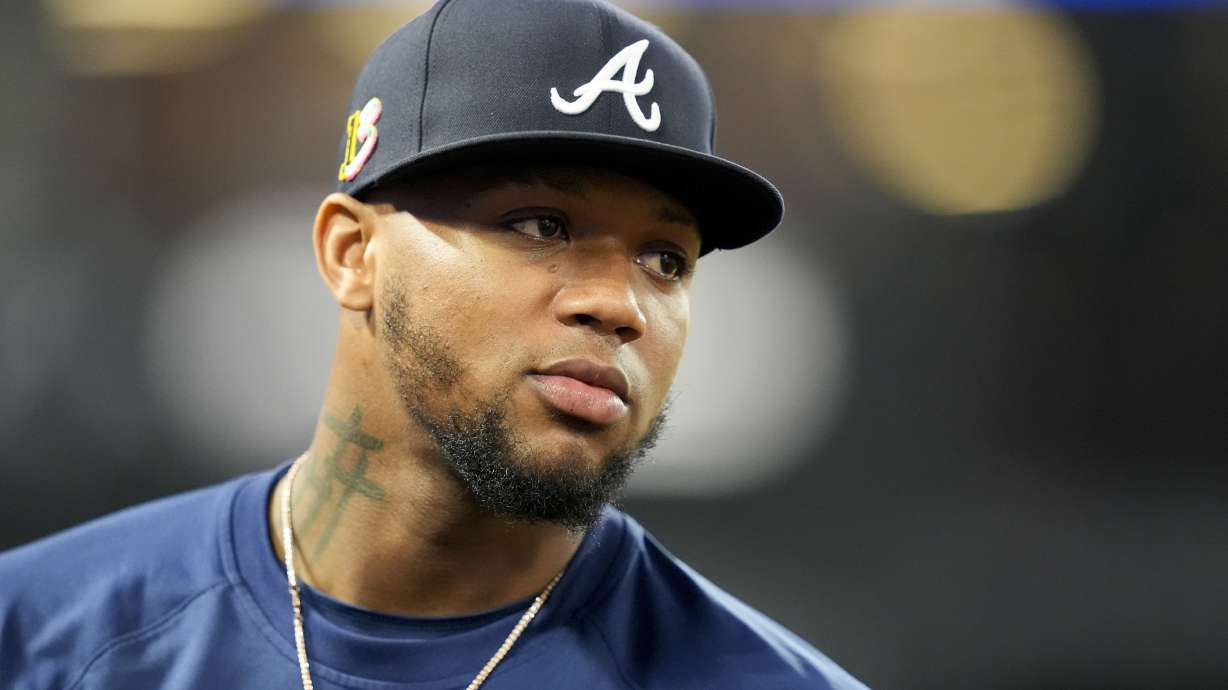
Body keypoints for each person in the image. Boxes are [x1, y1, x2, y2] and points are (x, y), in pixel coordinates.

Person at [0, 1, 869, 688]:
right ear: (353, 254)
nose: (618, 304)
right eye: (541, 223)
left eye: (664, 259)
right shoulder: (40, 636)